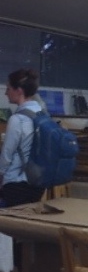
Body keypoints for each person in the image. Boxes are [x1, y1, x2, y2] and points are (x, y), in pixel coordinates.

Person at [1, 69, 45, 206]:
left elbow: (6, 156)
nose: (6, 93)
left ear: (19, 90)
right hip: (38, 183)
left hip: (15, 185)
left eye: (8, 88)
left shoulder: (18, 119)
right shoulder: (42, 114)